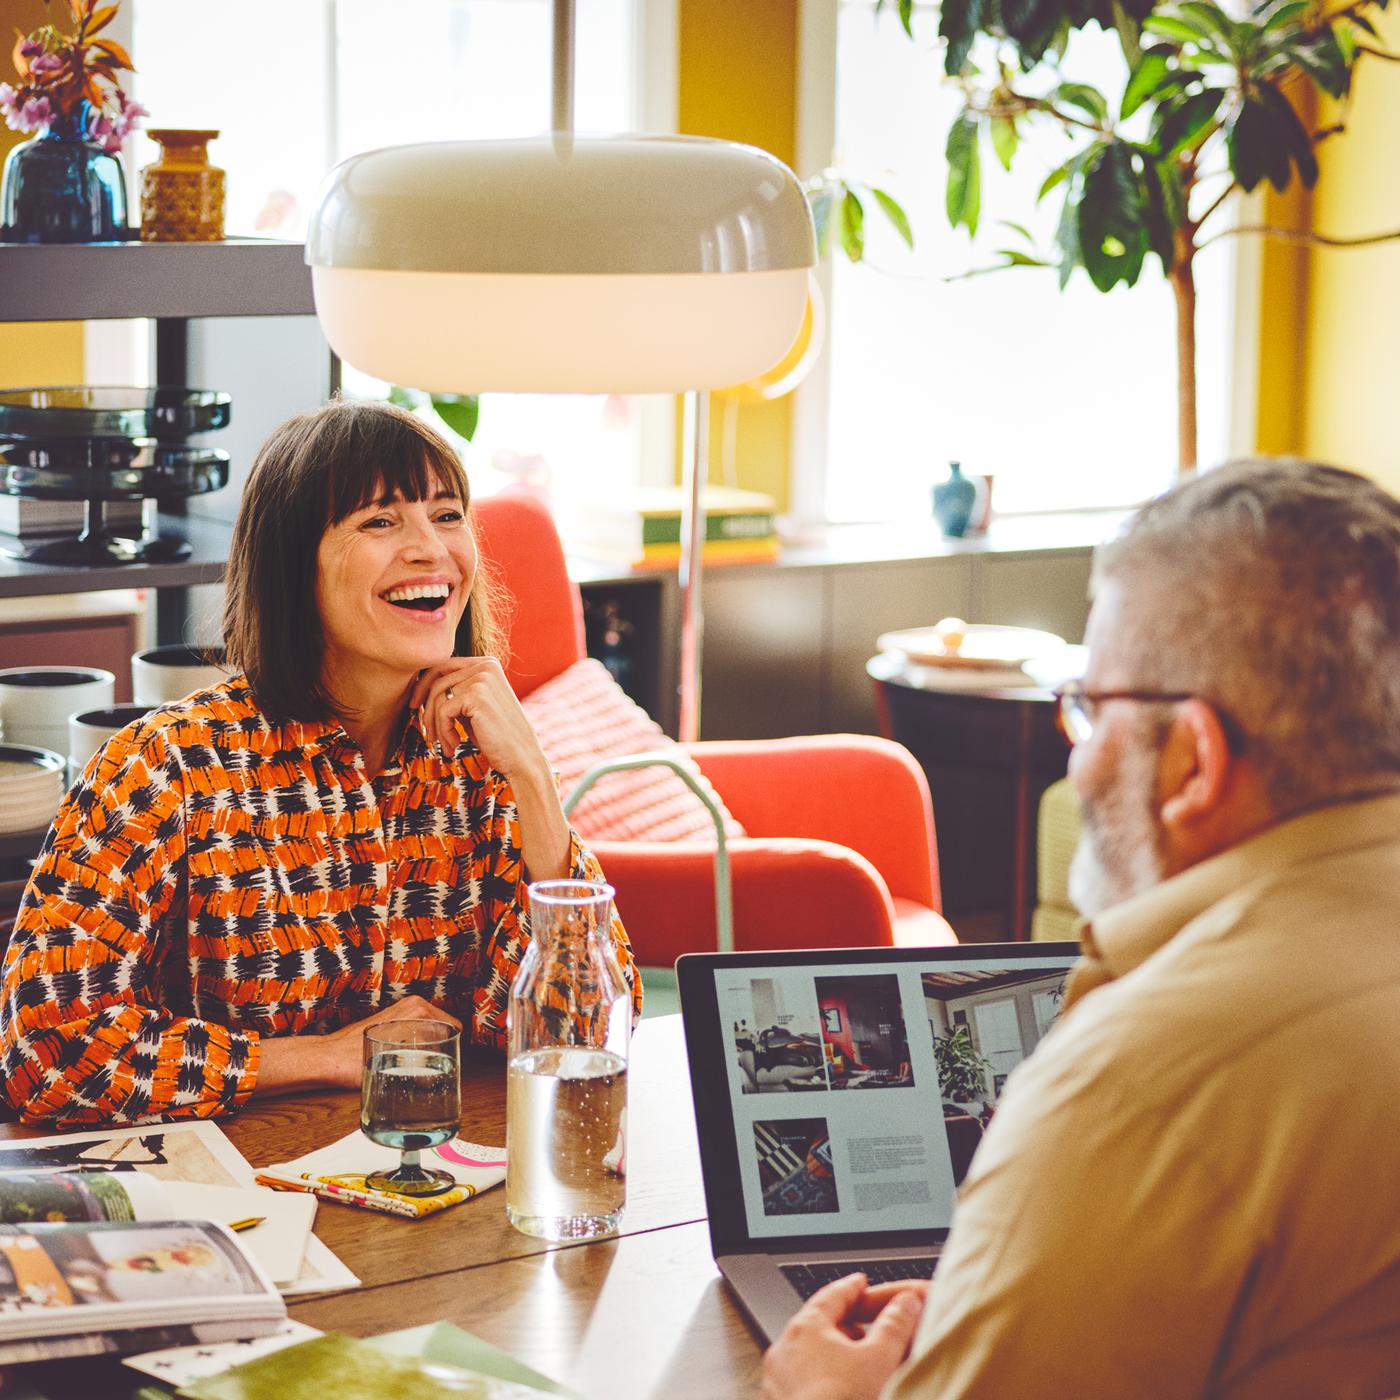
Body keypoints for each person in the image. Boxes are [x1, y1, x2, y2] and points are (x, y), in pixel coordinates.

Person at [763, 459, 1400, 1399]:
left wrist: (816, 1394)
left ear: (1191, 760)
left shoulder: (1145, 1084)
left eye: (1092, 707)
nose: (1080, 749)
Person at [0, 400, 641, 1126]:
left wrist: (533, 778)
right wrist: (326, 1056)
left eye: (448, 515)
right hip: (232, 1202)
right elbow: (43, 1051)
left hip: (437, 1194)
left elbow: (585, 1037)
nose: (431, 549)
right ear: (292, 565)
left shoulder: (482, 766)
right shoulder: (166, 766)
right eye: (380, 520)